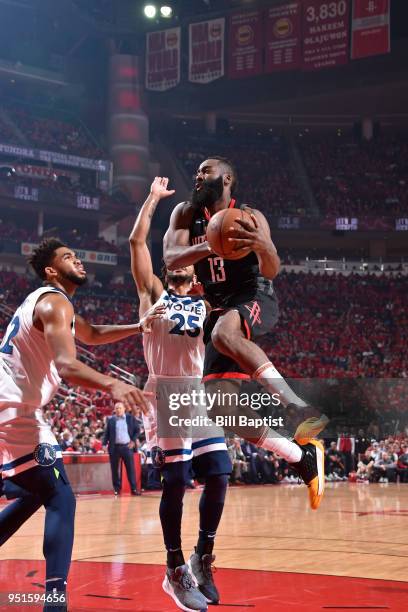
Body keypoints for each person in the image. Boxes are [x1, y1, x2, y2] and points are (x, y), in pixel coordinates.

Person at [0, 238, 162, 612]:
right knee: (60, 498)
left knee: (33, 491)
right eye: (69, 257)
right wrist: (113, 383)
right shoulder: (54, 302)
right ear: (52, 270)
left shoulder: (55, 305)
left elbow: (91, 334)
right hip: (15, 410)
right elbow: (67, 365)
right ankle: (55, 602)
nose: (79, 260)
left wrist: (138, 326)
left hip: (11, 408)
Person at [163, 156, 327, 510]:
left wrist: (263, 246)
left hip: (255, 295)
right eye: (197, 171)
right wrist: (213, 241)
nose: (198, 175)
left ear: (227, 178)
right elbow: (171, 258)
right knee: (221, 407)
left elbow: (272, 268)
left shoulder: (250, 216)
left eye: (206, 171)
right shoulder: (185, 214)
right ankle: (300, 456)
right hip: (220, 306)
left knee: (224, 333)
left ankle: (298, 407)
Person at [130, 176, 232, 611]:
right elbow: (137, 242)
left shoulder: (206, 300)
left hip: (195, 392)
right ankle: (174, 569)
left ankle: (201, 557)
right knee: (175, 482)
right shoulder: (153, 289)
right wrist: (153, 200)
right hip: (166, 390)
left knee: (221, 471)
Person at [103, 401, 141, 495]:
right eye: (116, 408)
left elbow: (137, 430)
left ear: (124, 409)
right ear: (114, 410)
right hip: (114, 448)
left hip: (127, 447)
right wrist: (104, 444)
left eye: (120, 408)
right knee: (115, 470)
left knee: (130, 469)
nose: (118, 410)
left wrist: (133, 441)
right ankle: (117, 489)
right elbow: (106, 434)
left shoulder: (130, 418)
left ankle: (134, 489)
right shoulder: (111, 420)